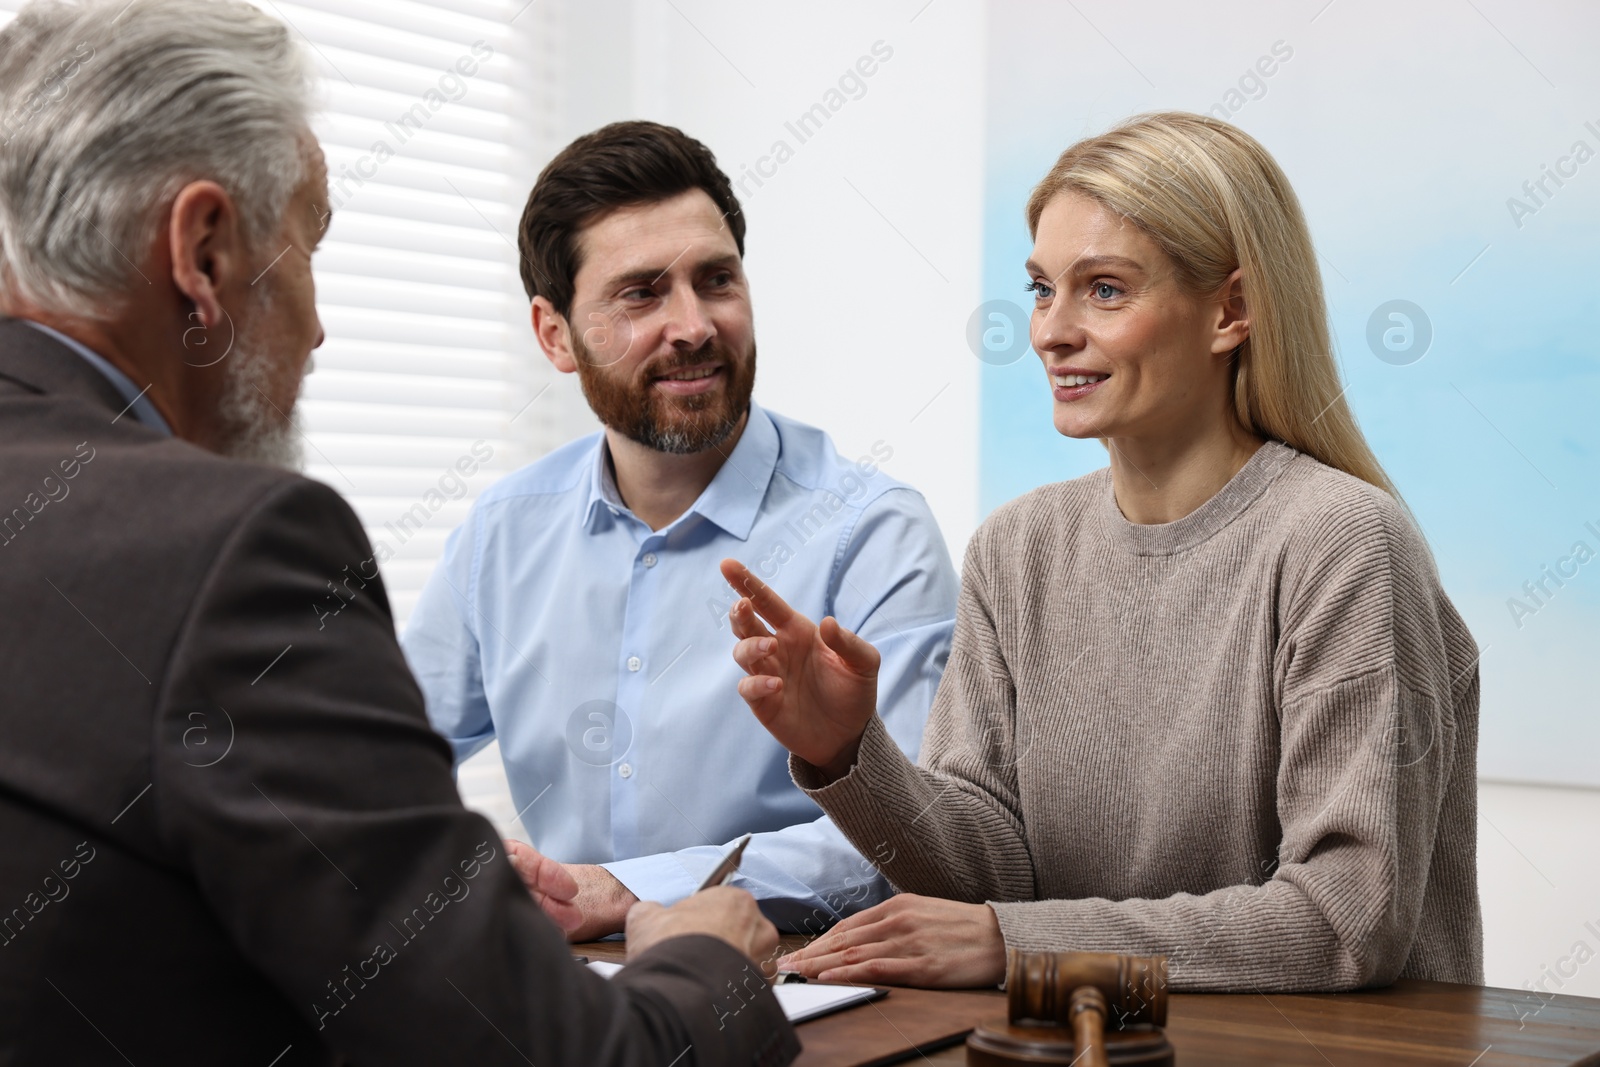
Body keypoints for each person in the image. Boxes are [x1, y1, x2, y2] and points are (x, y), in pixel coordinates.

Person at [0, 2, 797, 1064]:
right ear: (203, 253)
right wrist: (711, 959)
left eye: (714, 279)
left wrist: (428, 870)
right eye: (309, 242)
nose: (320, 324)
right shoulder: (231, 549)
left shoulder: (865, 520)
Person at [720, 112, 1483, 993]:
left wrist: (1024, 946)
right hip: (1092, 1045)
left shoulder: (1343, 543)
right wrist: (851, 754)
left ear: (1231, 310)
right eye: (1042, 289)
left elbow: (1346, 916)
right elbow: (991, 874)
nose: (1051, 331)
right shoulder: (1016, 549)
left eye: (1106, 290)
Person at [401, 120, 958, 940]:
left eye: (716, 280)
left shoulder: (872, 531)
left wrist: (617, 891)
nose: (694, 325)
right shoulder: (502, 534)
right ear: (555, 335)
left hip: (794, 988)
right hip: (570, 996)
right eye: (641, 294)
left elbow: (911, 840)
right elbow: (378, 768)